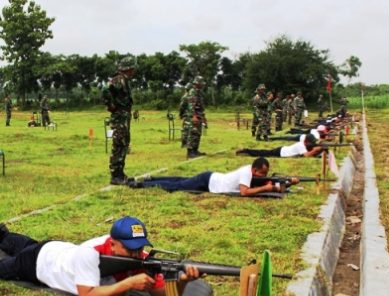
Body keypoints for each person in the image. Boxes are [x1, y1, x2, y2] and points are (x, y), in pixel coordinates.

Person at [0, 216, 200, 296]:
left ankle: (4, 235)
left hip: (56, 248)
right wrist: (127, 284)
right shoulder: (92, 254)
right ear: (112, 243)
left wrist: (183, 281)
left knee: (23, 244)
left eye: (141, 249)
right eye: (131, 249)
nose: (138, 255)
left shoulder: (135, 257)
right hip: (38, 264)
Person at [127, 157, 295, 196]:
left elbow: (276, 187)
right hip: (208, 182)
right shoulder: (246, 173)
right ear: (254, 169)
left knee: (180, 181)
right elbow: (244, 192)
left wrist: (289, 183)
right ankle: (141, 185)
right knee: (176, 186)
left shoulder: (251, 173)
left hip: (210, 179)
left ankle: (151, 179)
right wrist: (266, 188)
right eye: (262, 173)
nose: (263, 176)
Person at [102, 57, 136, 185]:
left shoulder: (124, 80)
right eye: (133, 67)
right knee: (119, 144)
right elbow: (105, 90)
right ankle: (115, 175)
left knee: (124, 144)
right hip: (119, 117)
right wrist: (110, 105)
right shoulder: (119, 79)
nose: (134, 70)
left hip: (124, 116)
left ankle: (120, 174)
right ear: (129, 68)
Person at [236, 134, 323, 158]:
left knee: (264, 152)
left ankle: (247, 151)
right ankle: (246, 151)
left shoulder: (306, 145)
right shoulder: (301, 146)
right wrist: (315, 150)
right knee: (263, 153)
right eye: (311, 142)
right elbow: (306, 155)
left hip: (283, 150)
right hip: (280, 152)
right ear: (306, 141)